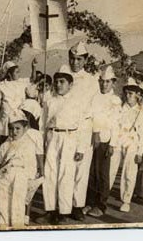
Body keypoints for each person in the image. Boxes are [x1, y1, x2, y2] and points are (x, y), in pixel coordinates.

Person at [41, 65, 90, 225]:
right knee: (50, 174)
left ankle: (63, 211)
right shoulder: (49, 100)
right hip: (52, 136)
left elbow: (84, 126)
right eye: (56, 82)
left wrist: (81, 148)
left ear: (70, 84)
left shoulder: (78, 102)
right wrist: (41, 143)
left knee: (66, 175)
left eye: (62, 82)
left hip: (70, 138)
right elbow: (43, 123)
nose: (58, 85)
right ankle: (50, 210)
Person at [108, 78, 143, 213]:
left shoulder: (142, 111)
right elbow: (114, 126)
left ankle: (126, 200)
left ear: (137, 95)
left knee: (129, 171)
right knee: (111, 168)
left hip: (133, 141)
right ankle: (104, 196)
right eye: (127, 93)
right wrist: (112, 143)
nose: (128, 96)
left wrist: (140, 152)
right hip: (118, 140)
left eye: (131, 94)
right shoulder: (119, 108)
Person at [0, 111, 43, 228]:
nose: (14, 132)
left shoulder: (29, 145)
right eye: (11, 129)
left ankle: (17, 228)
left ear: (25, 128)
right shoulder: (5, 145)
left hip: (21, 177)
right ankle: (3, 227)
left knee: (18, 204)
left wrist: (30, 178)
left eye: (17, 128)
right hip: (6, 177)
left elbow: (32, 164)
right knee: (3, 202)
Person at [67, 41, 98, 220]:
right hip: (67, 127)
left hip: (84, 127)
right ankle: (63, 203)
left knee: (82, 168)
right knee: (67, 167)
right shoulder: (63, 75)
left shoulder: (91, 81)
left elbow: (95, 108)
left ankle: (77, 205)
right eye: (72, 59)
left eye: (79, 59)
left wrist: (95, 131)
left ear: (85, 60)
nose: (75, 62)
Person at [85, 66, 121, 218]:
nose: (104, 85)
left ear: (112, 83)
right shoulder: (95, 97)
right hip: (93, 138)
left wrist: (112, 143)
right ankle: (90, 202)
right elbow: (91, 116)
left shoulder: (115, 100)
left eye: (107, 82)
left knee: (102, 173)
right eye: (102, 82)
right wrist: (94, 133)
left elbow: (116, 123)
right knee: (91, 172)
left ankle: (101, 204)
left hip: (106, 140)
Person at [0, 60, 35, 147]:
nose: (19, 74)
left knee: (18, 140)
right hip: (7, 114)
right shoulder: (2, 85)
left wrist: (34, 66)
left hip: (19, 114)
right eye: (16, 72)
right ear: (9, 74)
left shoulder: (22, 82)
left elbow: (33, 79)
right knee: (5, 139)